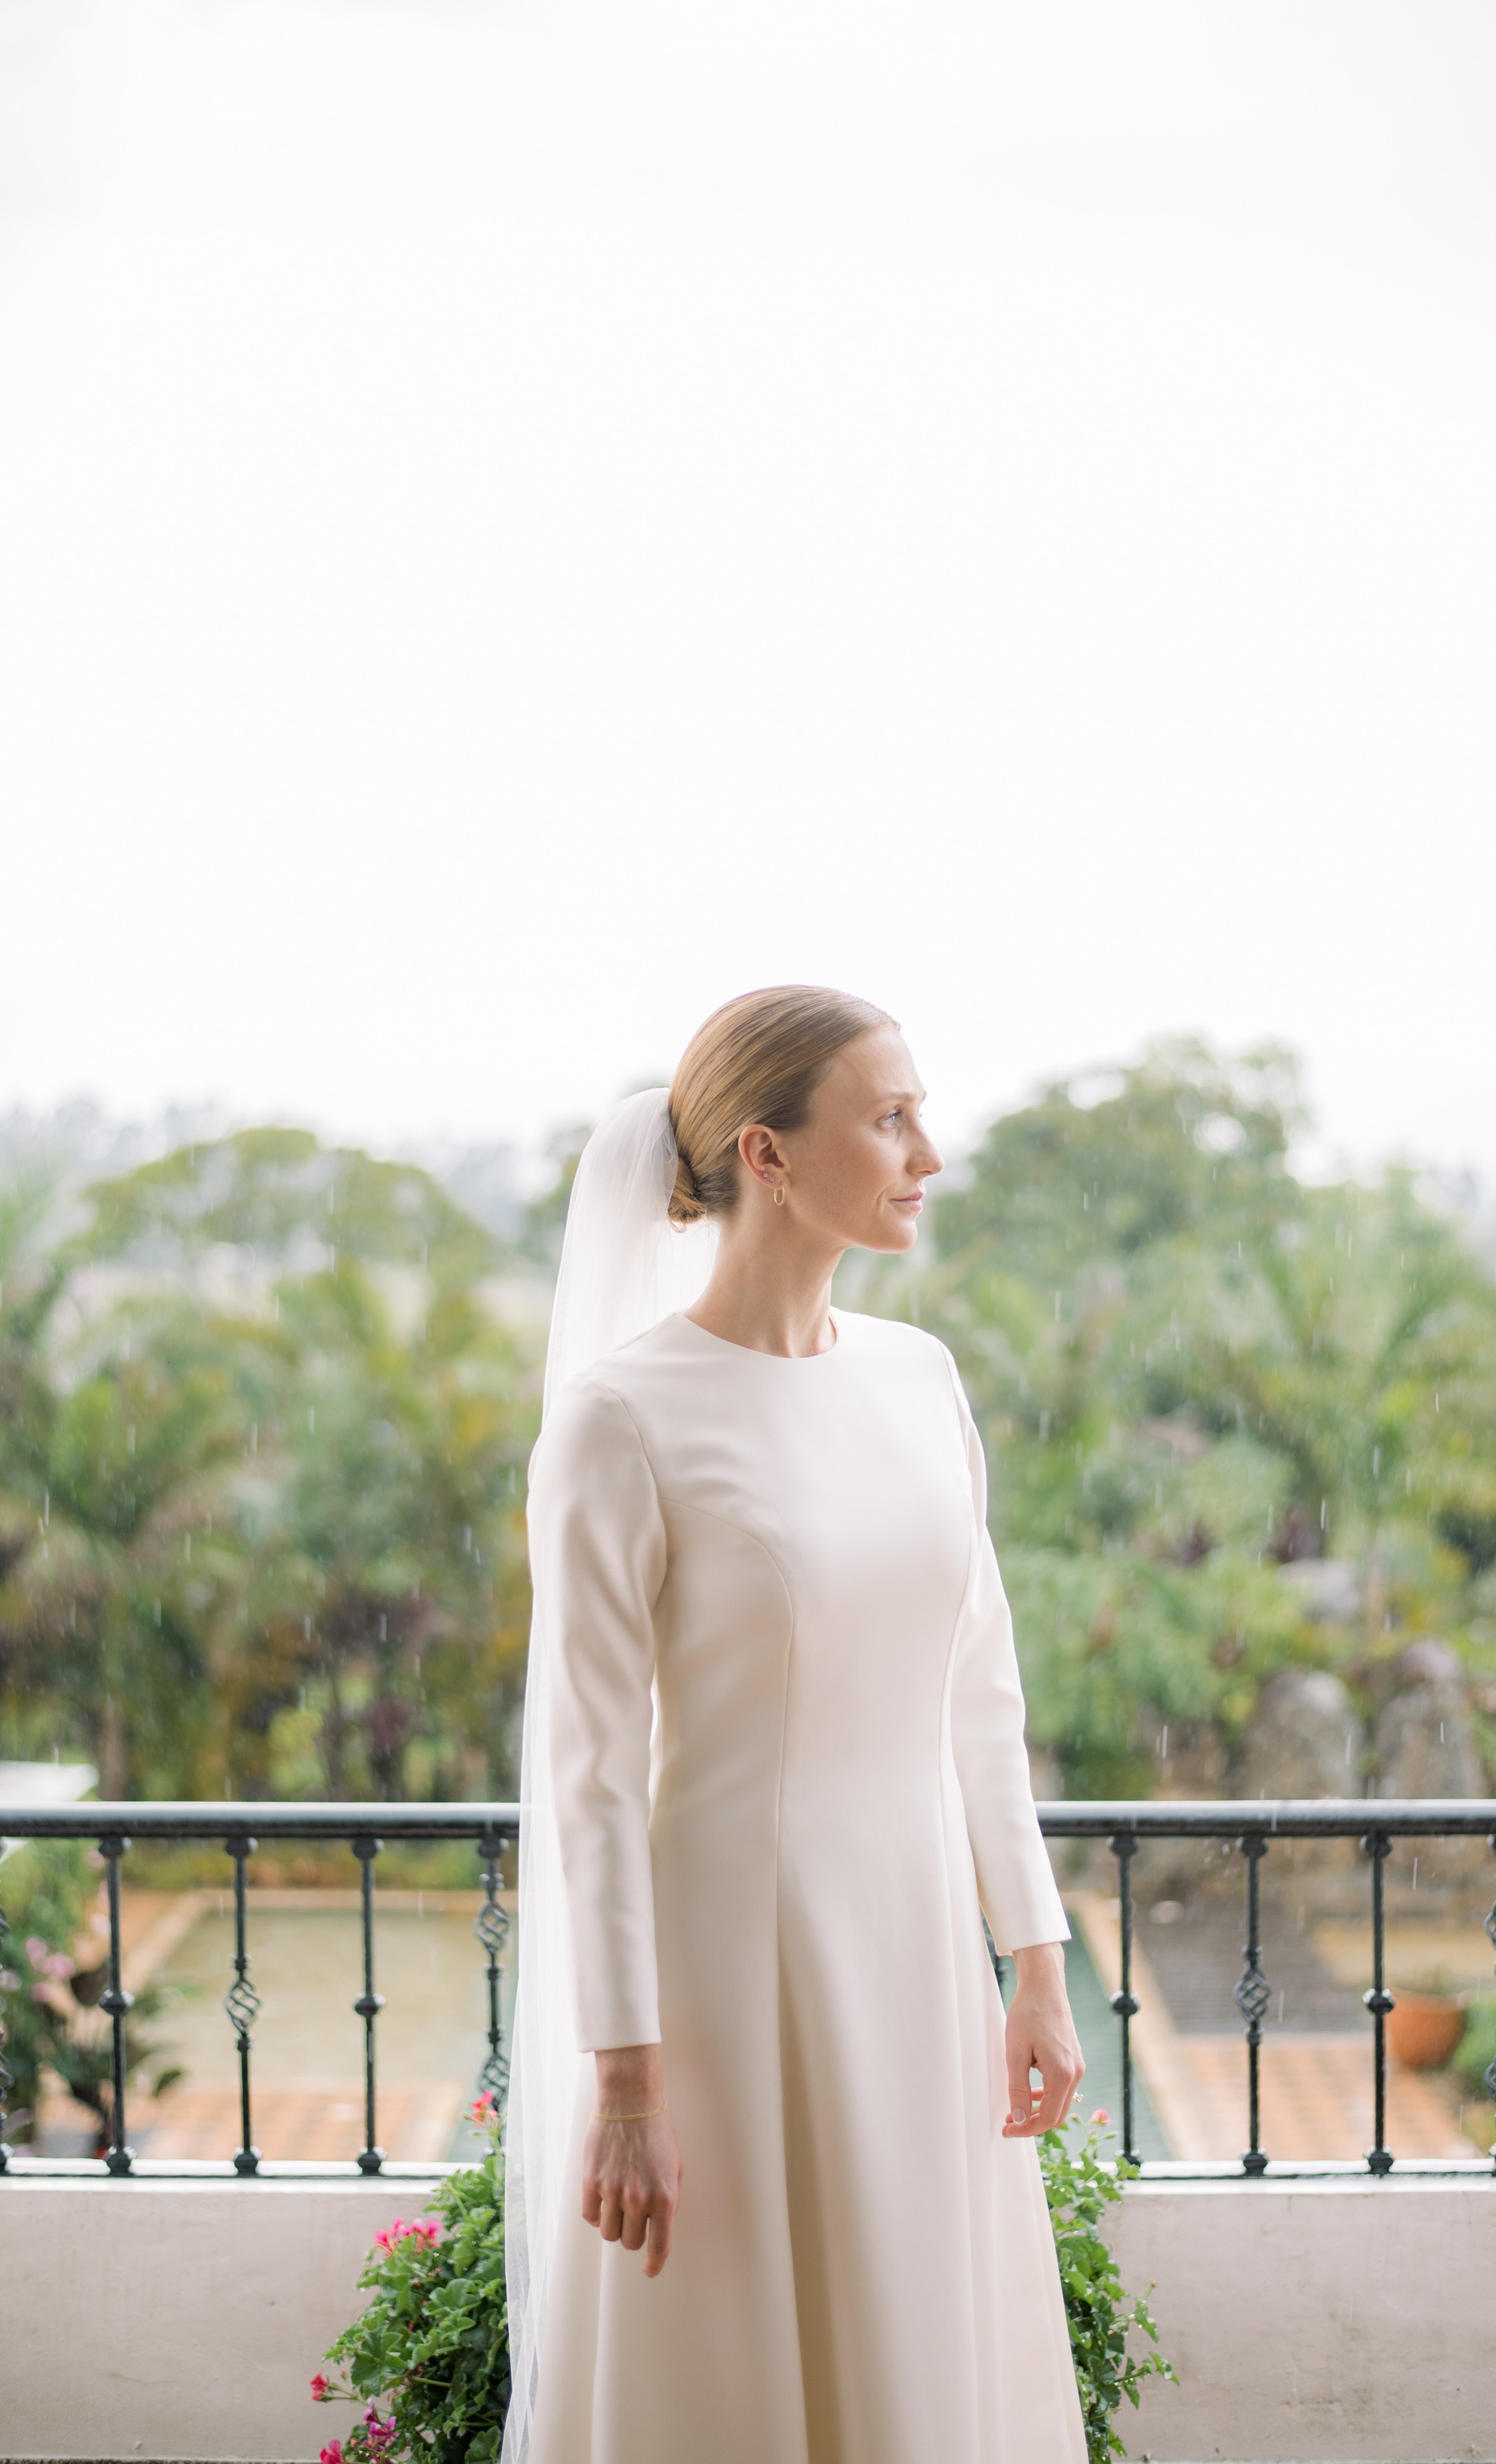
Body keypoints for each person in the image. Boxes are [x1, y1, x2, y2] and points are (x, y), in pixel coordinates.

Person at [504, 985, 1087, 2464]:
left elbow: (979, 1690)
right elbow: (584, 1778)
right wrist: (624, 2075)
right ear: (764, 1153)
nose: (926, 1154)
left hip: (913, 1964)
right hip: (728, 1983)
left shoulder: (919, 1377)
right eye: (888, 1118)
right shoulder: (619, 1418)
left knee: (919, 2353)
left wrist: (1031, 1961)